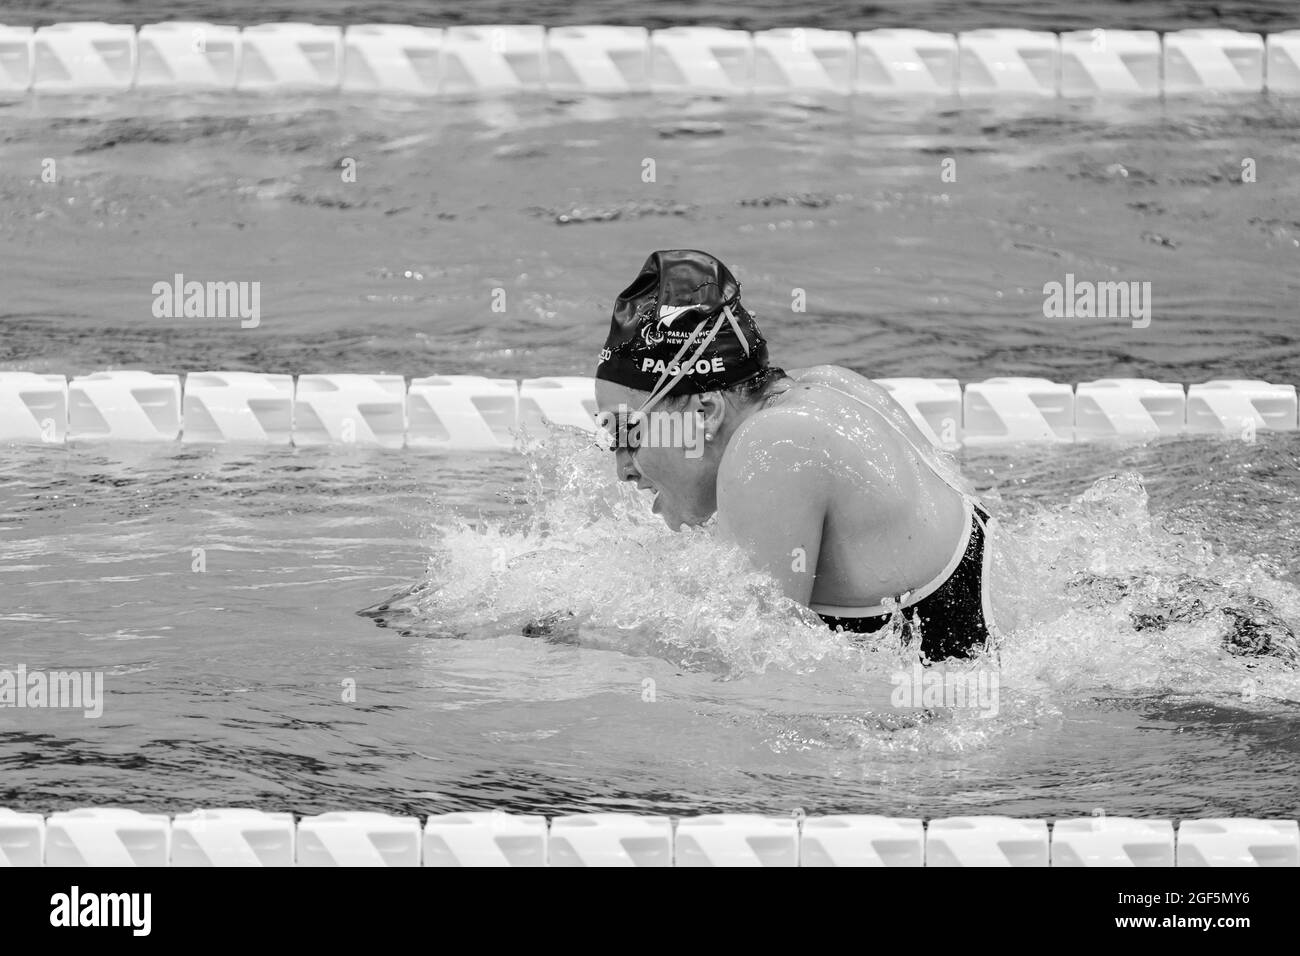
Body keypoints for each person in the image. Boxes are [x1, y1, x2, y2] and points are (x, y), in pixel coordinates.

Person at [593, 249, 999, 661]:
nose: (623, 468)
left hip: (959, 713)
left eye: (629, 433)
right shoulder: (828, 386)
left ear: (705, 413)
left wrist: (588, 637)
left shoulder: (773, 445)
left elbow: (754, 677)